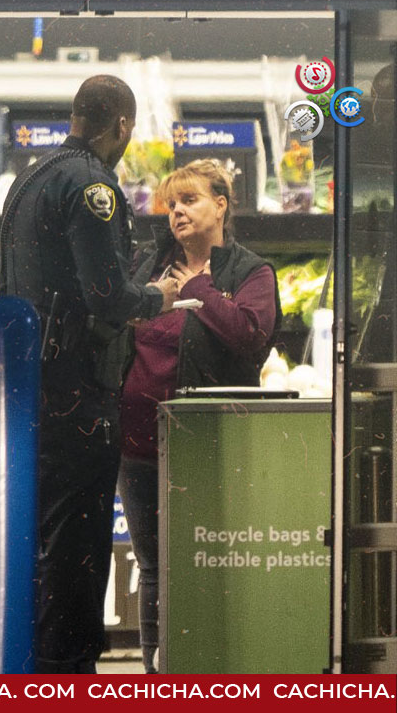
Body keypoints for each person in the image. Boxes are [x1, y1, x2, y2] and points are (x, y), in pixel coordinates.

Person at [0, 75, 179, 673]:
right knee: (78, 548)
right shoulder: (92, 186)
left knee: (41, 543)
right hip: (79, 393)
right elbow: (106, 295)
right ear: (122, 125)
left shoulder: (32, 176)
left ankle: (39, 668)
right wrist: (157, 297)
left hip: (32, 388)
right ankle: (68, 673)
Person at [119, 159, 281, 673]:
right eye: (171, 204)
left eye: (189, 201)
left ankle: (212, 672)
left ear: (221, 204)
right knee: (154, 569)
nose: (177, 213)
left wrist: (203, 292)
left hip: (208, 443)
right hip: (139, 446)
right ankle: (155, 676)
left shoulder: (249, 272)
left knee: (209, 563)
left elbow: (252, 337)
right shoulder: (147, 265)